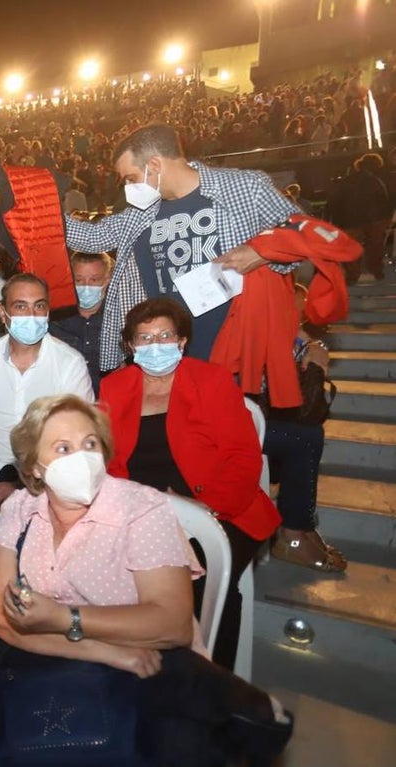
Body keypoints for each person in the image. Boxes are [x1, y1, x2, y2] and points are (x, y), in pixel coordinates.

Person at [0, 394, 201, 767]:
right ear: (34, 466)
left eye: (90, 444)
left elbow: (173, 625)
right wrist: (100, 649)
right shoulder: (20, 509)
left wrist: (62, 618)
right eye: (63, 448)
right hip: (45, 660)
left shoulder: (142, 509)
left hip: (140, 669)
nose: (81, 458)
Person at [98, 298, 280, 671]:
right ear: (131, 346)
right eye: (145, 338)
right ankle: (144, 673)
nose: (156, 345)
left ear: (181, 341)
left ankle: (213, 679)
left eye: (165, 335)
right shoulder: (115, 386)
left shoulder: (211, 380)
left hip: (222, 509)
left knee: (199, 578)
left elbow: (243, 458)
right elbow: (107, 462)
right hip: (142, 513)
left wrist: (206, 508)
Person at [64, 123, 299, 374]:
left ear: (154, 165)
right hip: (166, 350)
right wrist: (40, 206)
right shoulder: (142, 212)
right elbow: (91, 237)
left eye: (131, 178)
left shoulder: (244, 187)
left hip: (237, 345)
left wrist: (262, 252)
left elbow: (303, 233)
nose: (128, 187)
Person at [0, 273, 94, 513]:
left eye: (39, 306)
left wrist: (22, 487)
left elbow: (78, 441)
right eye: (21, 307)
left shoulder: (69, 364)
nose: (31, 315)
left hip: (48, 474)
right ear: (2, 313)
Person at [266, 283, 346, 572]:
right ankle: (294, 532)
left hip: (256, 412)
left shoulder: (286, 330)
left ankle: (301, 526)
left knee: (307, 434)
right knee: (304, 439)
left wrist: (311, 345)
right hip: (235, 417)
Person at [49, 251, 114, 394]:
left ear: (107, 279)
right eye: (78, 280)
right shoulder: (53, 320)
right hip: (64, 399)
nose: (86, 286)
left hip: (109, 400)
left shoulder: (118, 319)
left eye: (94, 280)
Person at [325, 151, 392, 284]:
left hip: (348, 220)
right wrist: (386, 219)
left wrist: (332, 220)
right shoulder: (376, 181)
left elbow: (333, 202)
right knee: (375, 247)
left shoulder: (345, 181)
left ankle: (352, 275)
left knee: (351, 249)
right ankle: (376, 270)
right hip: (373, 220)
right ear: (376, 166)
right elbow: (383, 201)